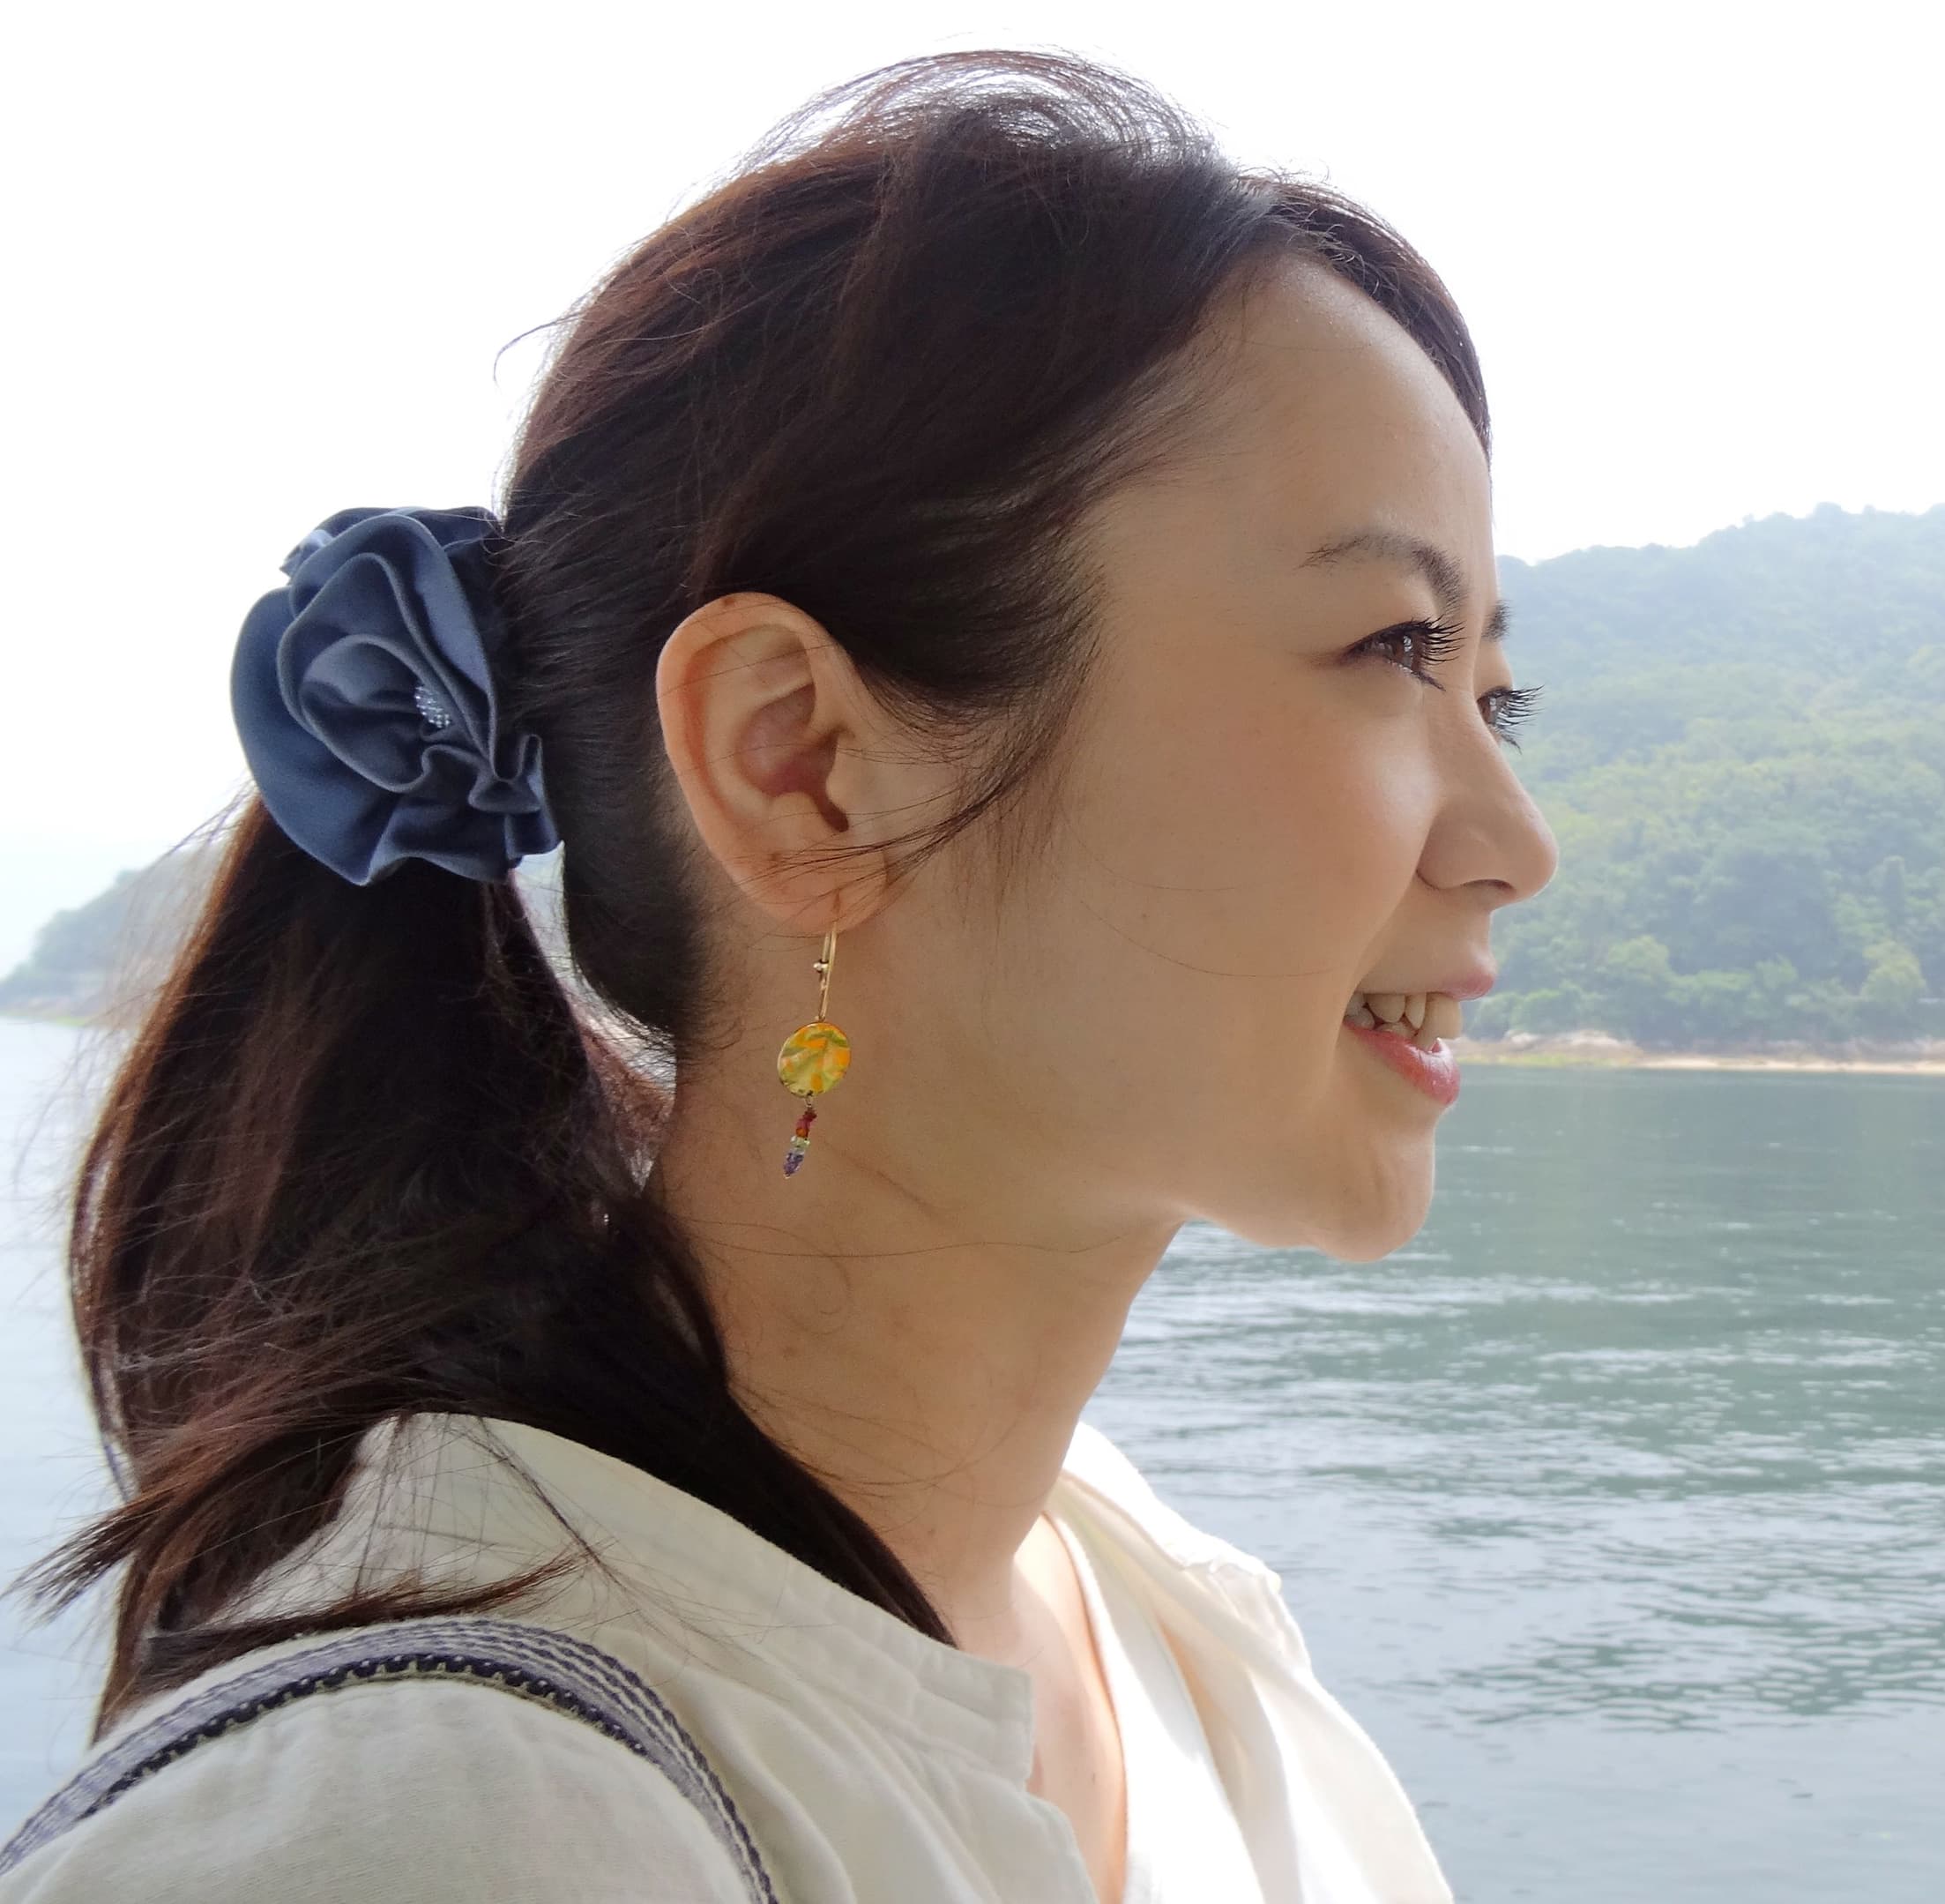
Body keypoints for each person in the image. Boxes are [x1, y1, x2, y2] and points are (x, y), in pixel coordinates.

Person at [1, 49, 1552, 1904]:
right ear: (797, 760)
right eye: (1391, 647)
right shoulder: (441, 1828)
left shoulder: (1120, 1584)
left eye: (1496, 690)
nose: (1514, 840)